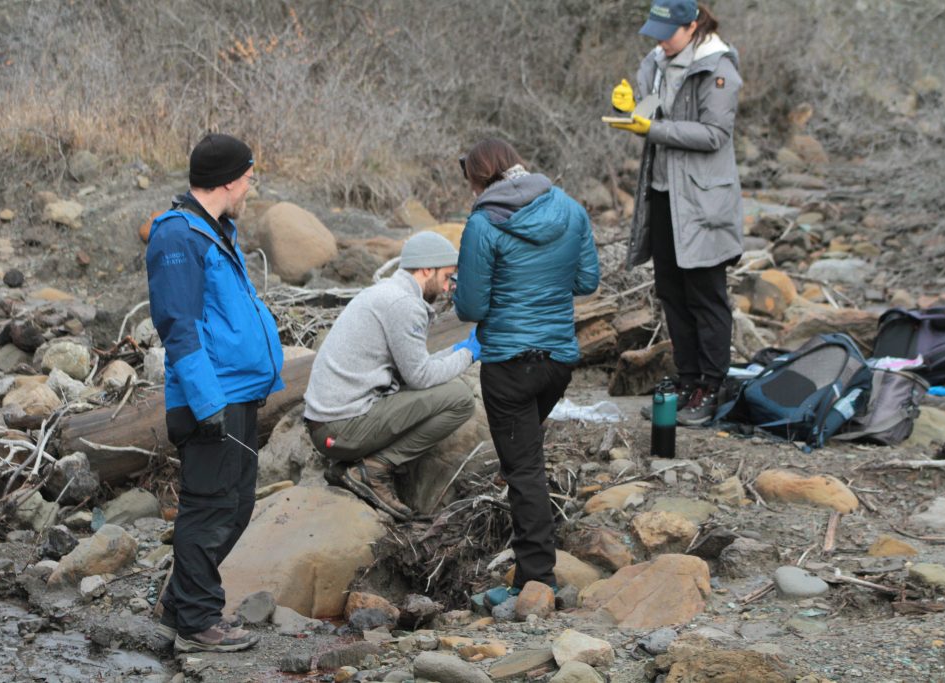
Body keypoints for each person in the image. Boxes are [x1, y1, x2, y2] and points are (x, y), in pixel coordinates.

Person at [146, 133, 285, 653]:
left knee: (237, 504)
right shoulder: (177, 236)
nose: (251, 187)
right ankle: (199, 621)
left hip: (236, 394)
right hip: (211, 401)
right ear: (228, 180)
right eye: (249, 177)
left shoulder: (216, 231)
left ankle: (182, 605)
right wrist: (207, 406)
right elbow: (178, 327)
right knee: (210, 510)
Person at [453, 139, 600, 600]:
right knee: (526, 461)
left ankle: (537, 579)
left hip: (510, 366)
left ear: (479, 178)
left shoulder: (483, 223)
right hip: (557, 362)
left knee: (524, 471)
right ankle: (531, 572)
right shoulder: (570, 208)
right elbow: (586, 280)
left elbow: (471, 305)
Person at [607, 0, 743, 426]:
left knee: (706, 295)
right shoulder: (657, 60)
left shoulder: (717, 66)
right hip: (663, 195)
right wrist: (631, 111)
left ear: (693, 24)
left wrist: (653, 129)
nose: (660, 40)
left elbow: (715, 134)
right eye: (656, 31)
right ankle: (687, 382)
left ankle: (711, 387)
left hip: (704, 201)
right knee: (671, 293)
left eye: (668, 32)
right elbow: (654, 114)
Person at [303, 231, 479, 521]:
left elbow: (412, 370)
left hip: (331, 423)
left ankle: (358, 464)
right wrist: (470, 354)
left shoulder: (388, 293)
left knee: (446, 387)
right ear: (426, 269)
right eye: (448, 276)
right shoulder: (403, 304)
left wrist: (454, 351)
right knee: (460, 398)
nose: (449, 287)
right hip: (338, 428)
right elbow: (420, 377)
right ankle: (374, 469)